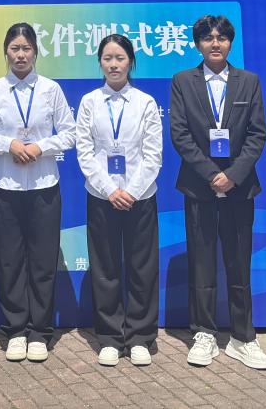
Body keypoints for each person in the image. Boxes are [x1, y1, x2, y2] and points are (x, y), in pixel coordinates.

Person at [168, 15, 266, 371]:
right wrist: (212, 174)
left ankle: (244, 338)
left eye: (222, 38)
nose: (215, 43)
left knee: (239, 264)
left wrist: (233, 176)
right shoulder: (183, 81)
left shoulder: (248, 81)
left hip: (240, 188)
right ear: (198, 44)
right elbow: (180, 134)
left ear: (230, 43)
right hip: (199, 186)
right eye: (208, 38)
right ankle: (205, 334)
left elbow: (257, 134)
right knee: (202, 263)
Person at [0, 23, 76, 363]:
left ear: (35, 52)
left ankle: (40, 332)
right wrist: (10, 145)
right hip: (6, 185)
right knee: (9, 259)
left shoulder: (50, 89)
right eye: (15, 48)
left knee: (44, 260)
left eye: (26, 48)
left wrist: (40, 147)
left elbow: (71, 133)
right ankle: (16, 330)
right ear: (6, 51)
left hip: (45, 185)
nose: (20, 55)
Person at [75, 33, 163, 368]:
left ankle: (140, 337)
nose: (114, 64)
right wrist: (110, 190)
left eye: (120, 58)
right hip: (102, 197)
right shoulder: (89, 102)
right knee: (105, 268)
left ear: (131, 62)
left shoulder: (145, 103)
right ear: (100, 62)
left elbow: (153, 155)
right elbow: (85, 152)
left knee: (142, 267)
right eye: (107, 58)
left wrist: (132, 191)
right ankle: (111, 337)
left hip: (141, 197)